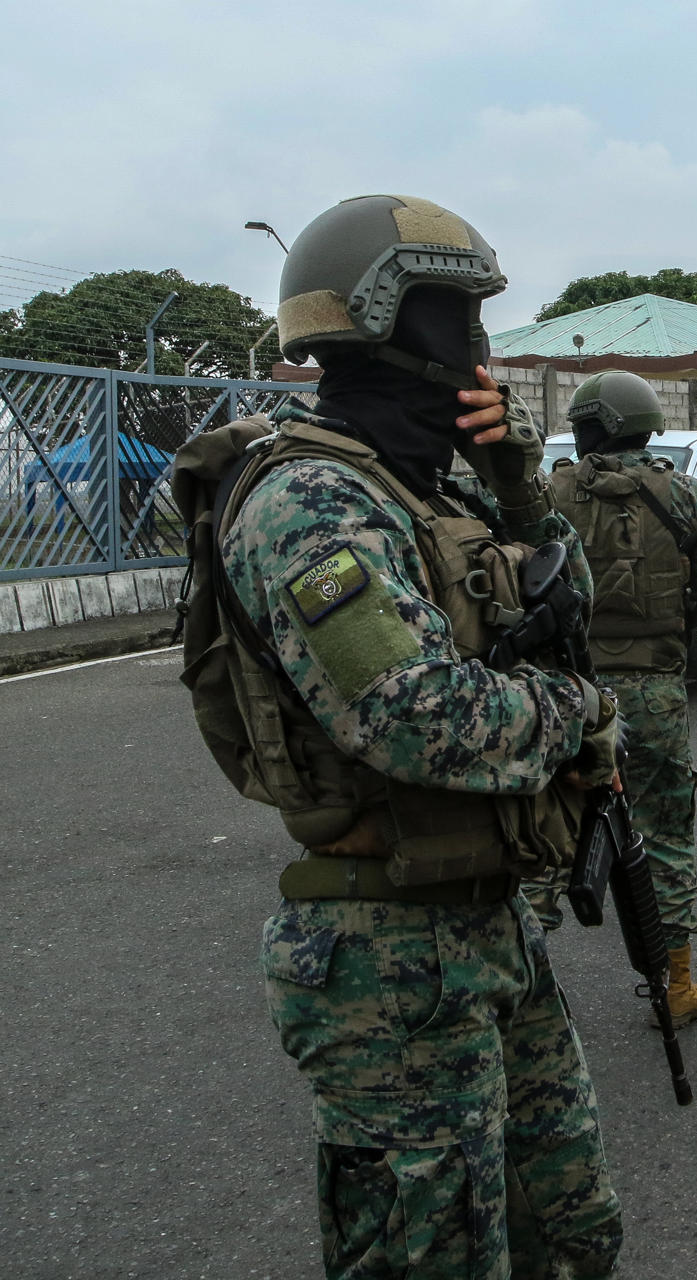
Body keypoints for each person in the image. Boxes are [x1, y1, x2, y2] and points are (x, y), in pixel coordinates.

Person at [217, 196, 623, 1275]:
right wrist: (578, 713)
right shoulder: (308, 498)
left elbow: (571, 601)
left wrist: (516, 482)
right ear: (388, 323)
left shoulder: (425, 481)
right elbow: (412, 715)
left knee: (572, 1231)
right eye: (461, 322)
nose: (482, 352)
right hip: (387, 961)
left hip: (489, 924)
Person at [533, 370, 697, 1027]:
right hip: (652, 691)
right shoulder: (681, 494)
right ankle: (675, 988)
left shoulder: (549, 491)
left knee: (538, 834)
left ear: (587, 425)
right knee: (663, 835)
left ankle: (509, 988)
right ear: (645, 425)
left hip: (568, 690)